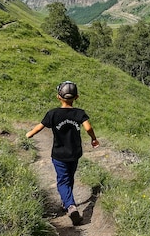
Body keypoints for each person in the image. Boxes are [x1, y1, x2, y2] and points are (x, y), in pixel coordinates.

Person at [26, 80, 99, 226]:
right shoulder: (79, 113)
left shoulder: (53, 113)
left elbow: (40, 127)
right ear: (76, 97)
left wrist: (29, 134)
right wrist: (93, 139)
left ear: (58, 97)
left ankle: (70, 206)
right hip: (74, 153)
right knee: (69, 177)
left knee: (62, 181)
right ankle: (67, 201)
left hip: (59, 154)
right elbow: (88, 127)